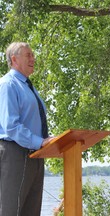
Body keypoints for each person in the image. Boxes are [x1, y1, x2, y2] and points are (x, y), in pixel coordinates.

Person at [0, 42, 54, 216]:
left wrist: (44, 143)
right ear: (14, 59)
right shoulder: (8, 85)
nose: (33, 58)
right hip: (15, 153)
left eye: (33, 54)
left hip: (36, 155)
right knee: (10, 211)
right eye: (28, 55)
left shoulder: (29, 86)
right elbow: (11, 126)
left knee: (31, 211)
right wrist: (40, 141)